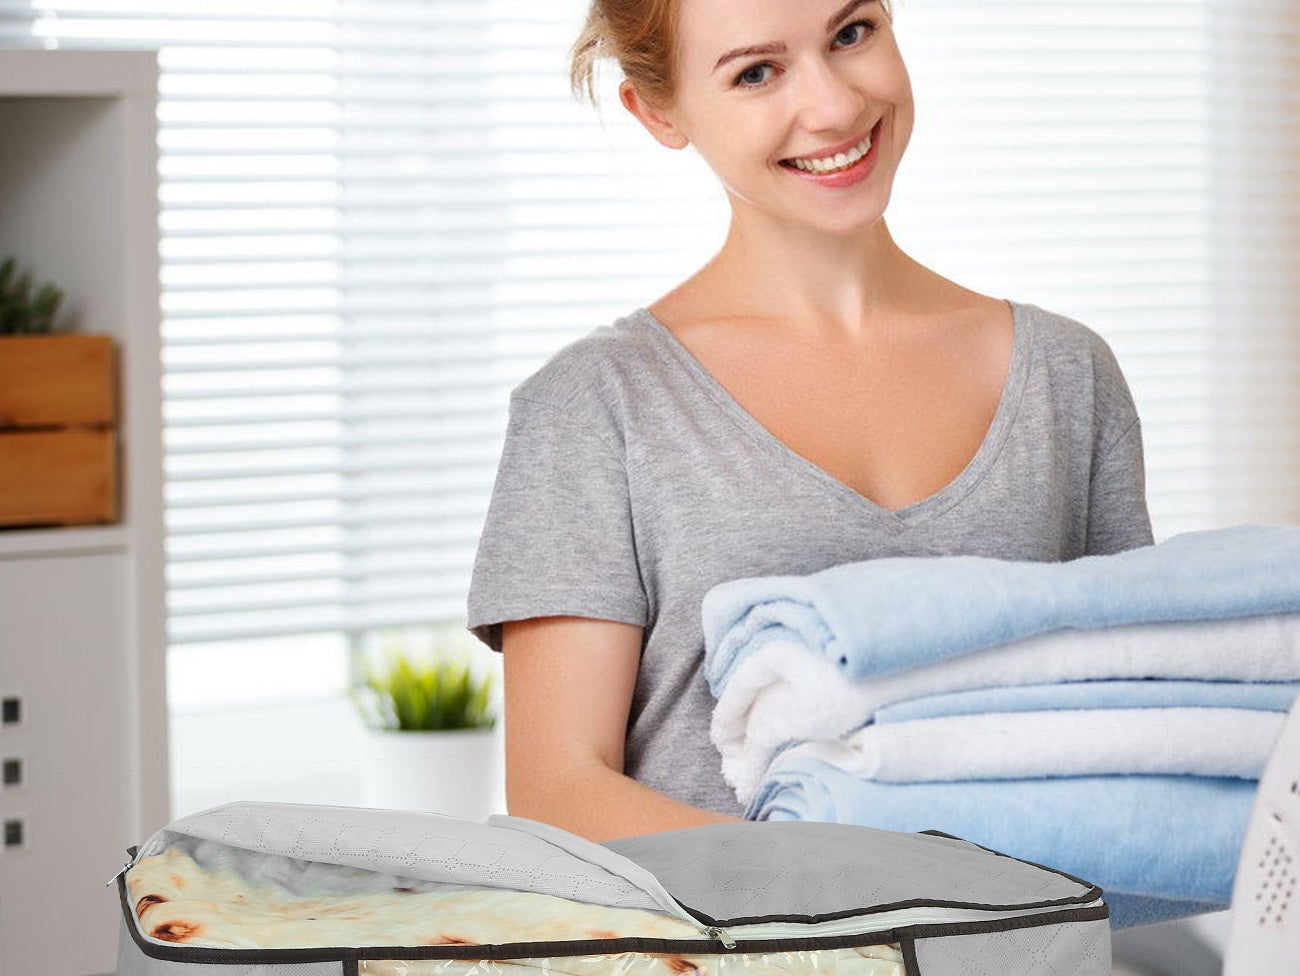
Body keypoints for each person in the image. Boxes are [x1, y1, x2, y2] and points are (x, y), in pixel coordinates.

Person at [467, 0, 1154, 843]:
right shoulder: (596, 407)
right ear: (659, 112)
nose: (833, 106)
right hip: (731, 973)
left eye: (852, 33)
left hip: (1023, 972)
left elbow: (1132, 725)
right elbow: (558, 793)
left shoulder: (1064, 375)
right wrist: (858, 891)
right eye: (756, 72)